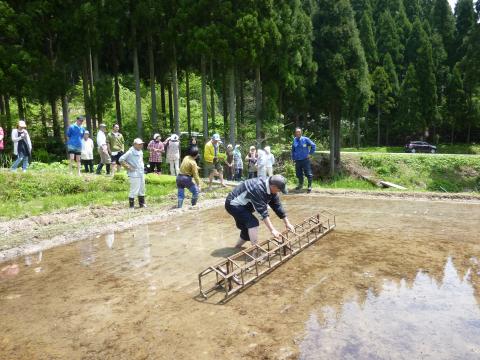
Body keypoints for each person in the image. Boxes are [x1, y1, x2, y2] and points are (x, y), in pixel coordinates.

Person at [225, 175, 295, 248]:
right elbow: (262, 212)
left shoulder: (271, 187)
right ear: (273, 186)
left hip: (246, 204)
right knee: (253, 223)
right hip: (233, 204)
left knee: (247, 229)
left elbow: (277, 205)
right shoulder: (258, 189)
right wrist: (272, 230)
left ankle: (236, 247)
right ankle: (255, 249)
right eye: (279, 190)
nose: (279, 192)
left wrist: (287, 223)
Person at [119, 138, 146, 209]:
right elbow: (121, 159)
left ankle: (142, 204)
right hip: (134, 173)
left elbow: (141, 160)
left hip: (141, 172)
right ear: (135, 144)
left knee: (142, 189)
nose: (141, 145)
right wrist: (129, 167)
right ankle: (131, 206)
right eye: (139, 144)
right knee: (134, 190)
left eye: (141, 144)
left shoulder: (140, 151)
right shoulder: (130, 152)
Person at [291, 128, 316, 193]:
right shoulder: (294, 140)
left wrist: (310, 154)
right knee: (299, 174)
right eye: (296, 132)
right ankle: (300, 185)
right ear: (295, 133)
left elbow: (313, 145)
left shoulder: (305, 139)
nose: (298, 133)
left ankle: (309, 186)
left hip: (305, 160)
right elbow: (293, 150)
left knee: (308, 173)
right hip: (297, 160)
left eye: (299, 132)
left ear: (301, 132)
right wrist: (293, 158)